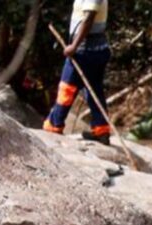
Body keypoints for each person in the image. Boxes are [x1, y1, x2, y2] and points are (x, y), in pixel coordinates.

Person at [42, 0, 112, 145]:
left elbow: (89, 17)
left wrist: (74, 46)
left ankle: (54, 125)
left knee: (66, 88)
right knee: (94, 89)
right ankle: (101, 129)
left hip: (85, 51)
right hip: (96, 50)